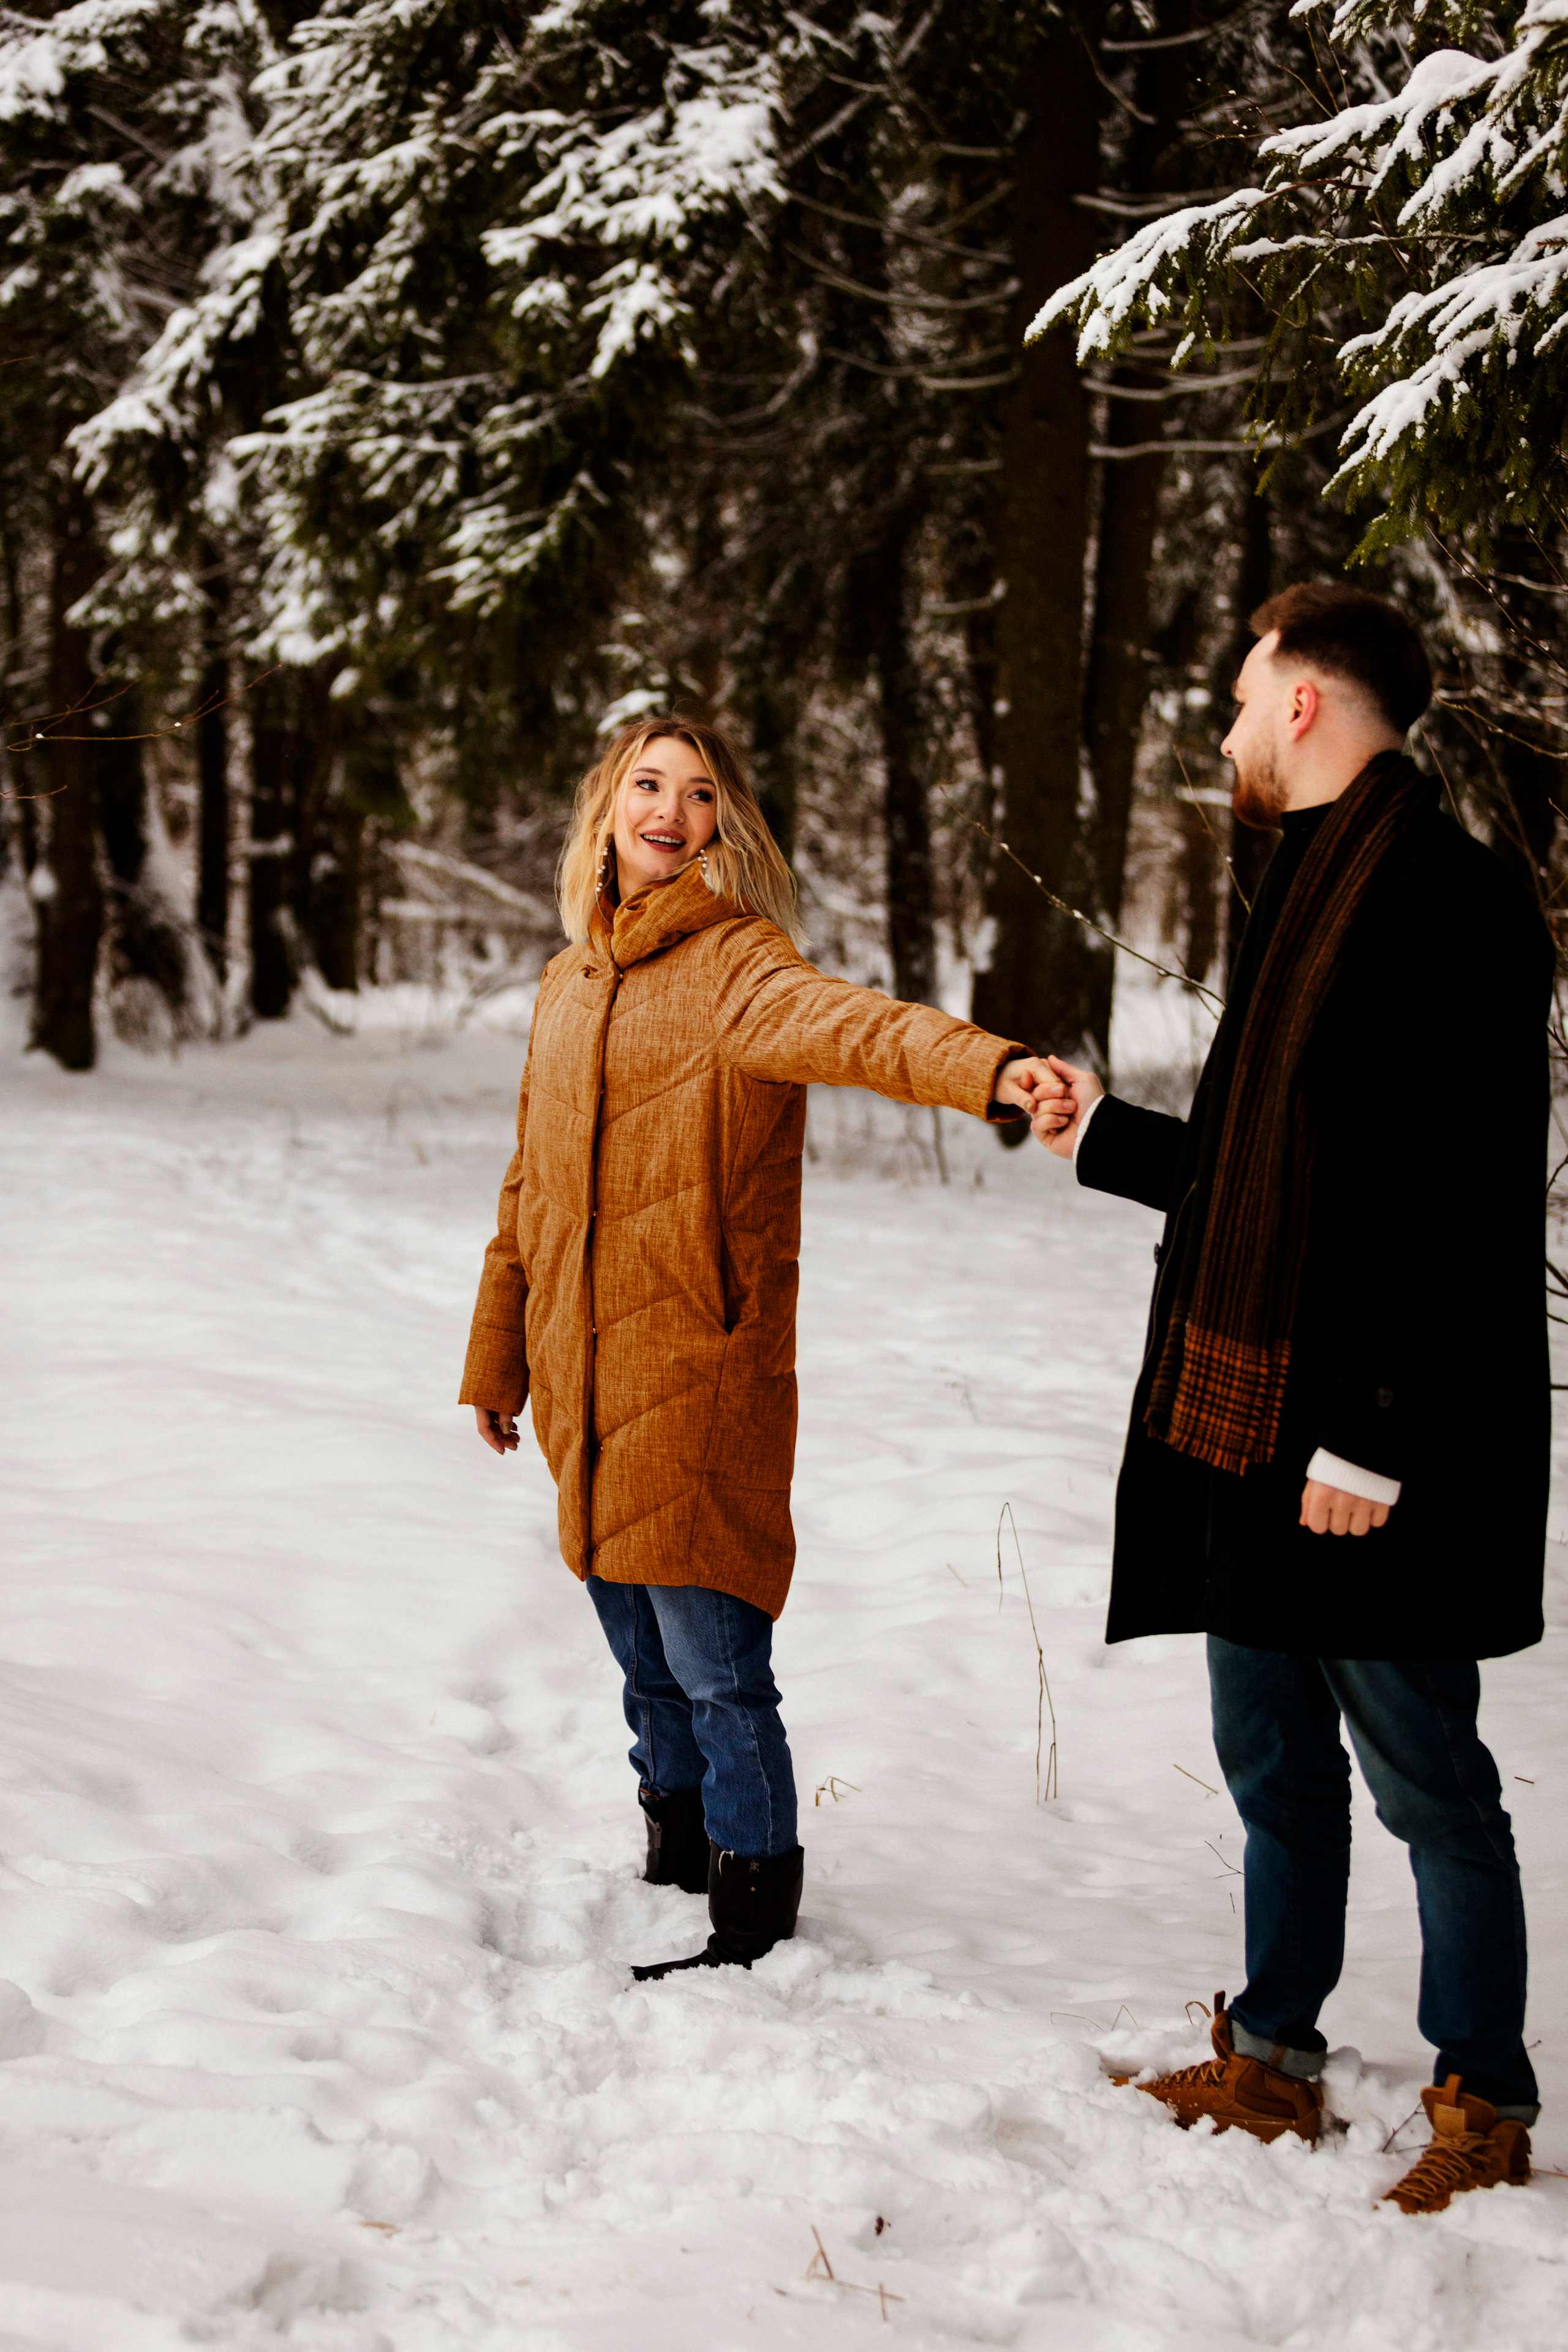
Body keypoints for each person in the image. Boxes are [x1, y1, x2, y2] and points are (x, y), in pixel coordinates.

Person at [1035, 582, 1551, 2214]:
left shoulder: (1453, 903)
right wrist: (1107, 1136)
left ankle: (1484, 2099)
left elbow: (1449, 1204)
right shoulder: (1311, 886)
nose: (1230, 729)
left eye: (1247, 698)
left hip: (1366, 1446)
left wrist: (1373, 1435)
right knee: (1271, 1759)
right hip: (1258, 1433)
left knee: (1429, 1783)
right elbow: (1284, 1178)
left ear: (1311, 703)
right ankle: (1274, 2060)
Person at [462, 715, 1050, 1979]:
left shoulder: (739, 970)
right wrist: (496, 1358)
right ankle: (672, 1853)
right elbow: (530, 1187)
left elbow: (867, 1031)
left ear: (724, 825)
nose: (668, 811)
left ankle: (749, 1906)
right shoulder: (566, 987)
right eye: (647, 785)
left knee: (715, 1667)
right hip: (584, 1377)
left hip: (695, 1376)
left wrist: (992, 1071)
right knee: (635, 1647)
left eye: (698, 793)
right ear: (607, 806)